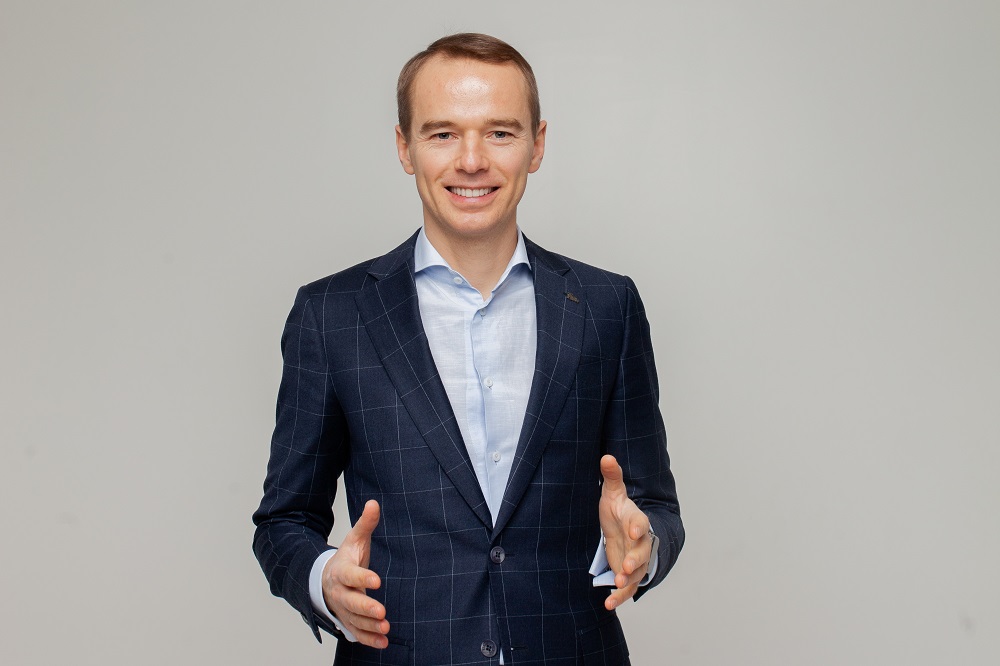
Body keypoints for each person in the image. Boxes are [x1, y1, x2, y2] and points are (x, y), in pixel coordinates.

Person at [253, 32, 684, 665]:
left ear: (537, 144)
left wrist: (644, 549)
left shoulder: (606, 307)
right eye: (442, 134)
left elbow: (656, 508)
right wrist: (324, 582)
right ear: (405, 147)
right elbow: (283, 521)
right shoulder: (332, 315)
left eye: (500, 133)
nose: (472, 160)